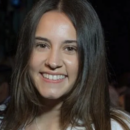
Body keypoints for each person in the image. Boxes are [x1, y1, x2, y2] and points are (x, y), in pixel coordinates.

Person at [1, 0, 130, 130]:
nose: (53, 62)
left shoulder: (114, 127)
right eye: (42, 45)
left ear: (89, 58)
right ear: (26, 52)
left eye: (70, 48)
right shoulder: (4, 121)